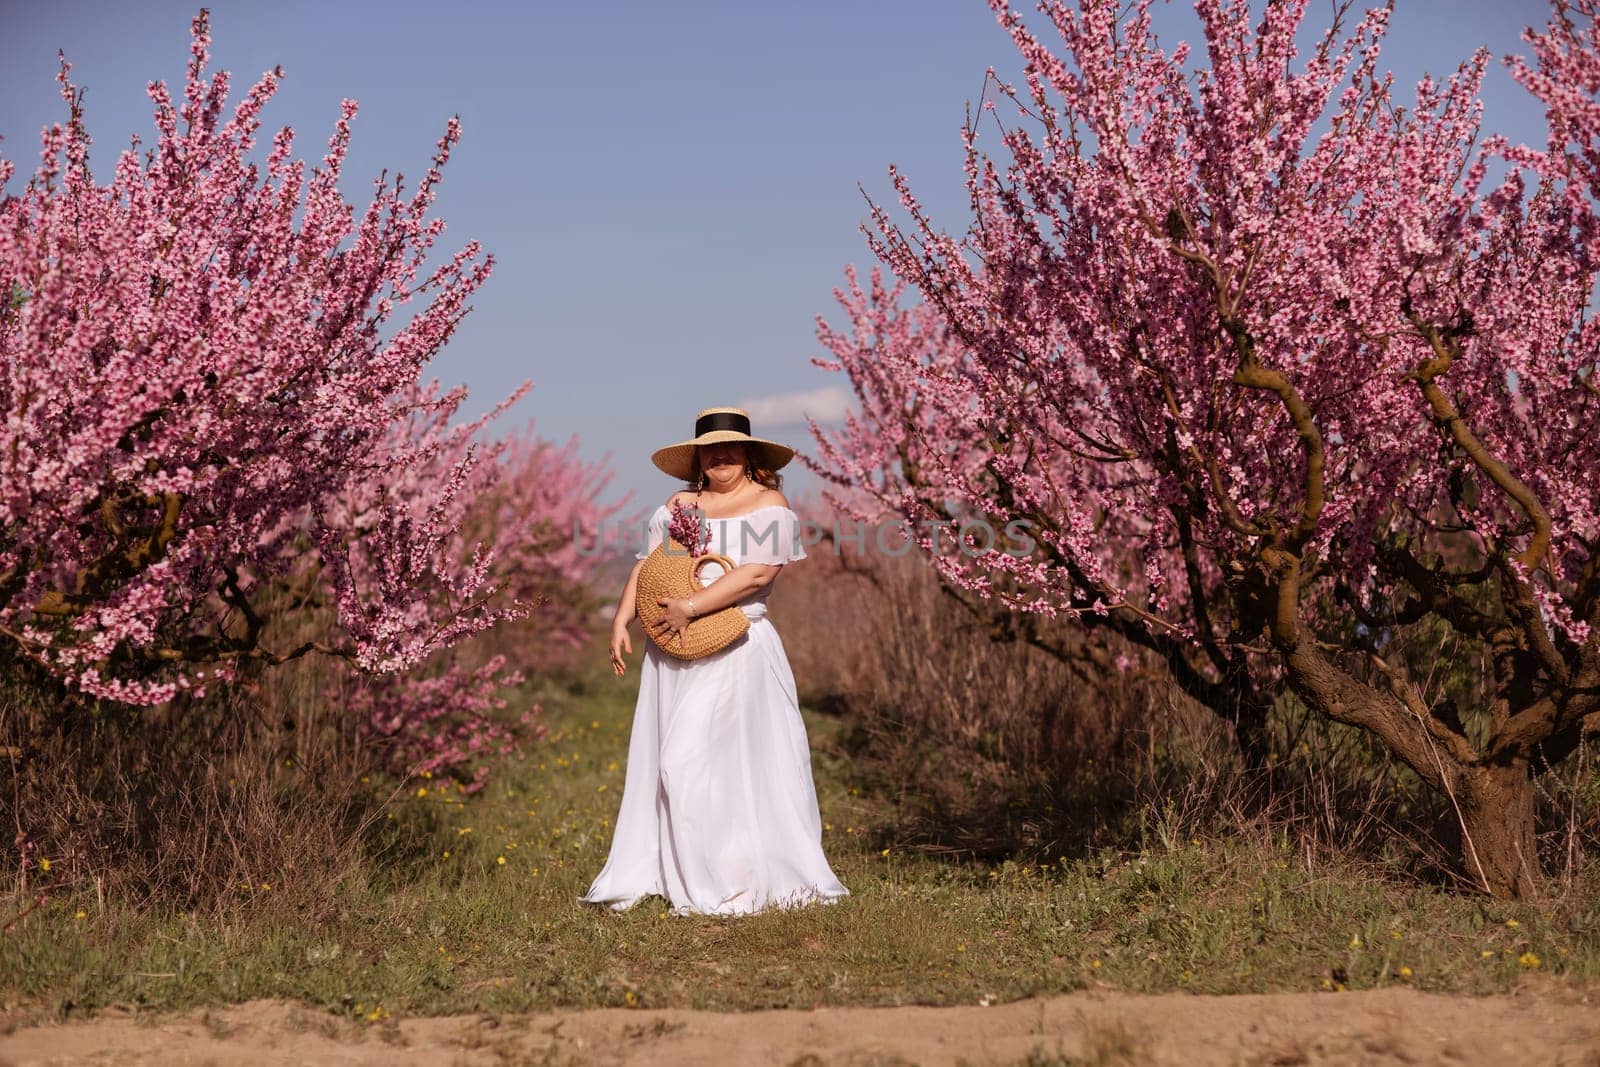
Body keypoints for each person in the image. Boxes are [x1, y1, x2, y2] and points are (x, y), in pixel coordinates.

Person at [579, 406, 850, 916]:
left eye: (731, 447)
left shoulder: (769, 504)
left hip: (736, 645)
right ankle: (677, 869)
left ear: (748, 455)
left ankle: (734, 877)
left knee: (702, 760)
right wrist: (622, 620)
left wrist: (692, 607)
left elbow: (757, 575)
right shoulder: (682, 505)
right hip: (673, 650)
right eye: (710, 448)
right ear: (698, 459)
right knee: (670, 763)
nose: (721, 455)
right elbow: (656, 569)